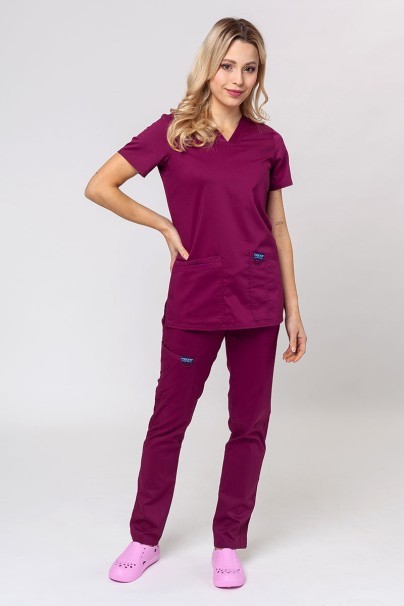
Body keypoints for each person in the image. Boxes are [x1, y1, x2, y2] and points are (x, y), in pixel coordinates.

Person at [84, 16, 307, 589]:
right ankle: (144, 537)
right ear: (208, 66)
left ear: (259, 75)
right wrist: (163, 225)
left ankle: (229, 541)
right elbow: (100, 186)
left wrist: (294, 309)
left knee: (249, 425)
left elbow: (279, 227)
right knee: (169, 420)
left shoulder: (267, 143)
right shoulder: (173, 132)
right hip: (196, 295)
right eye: (227, 65)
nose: (237, 79)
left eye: (249, 68)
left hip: (258, 300)